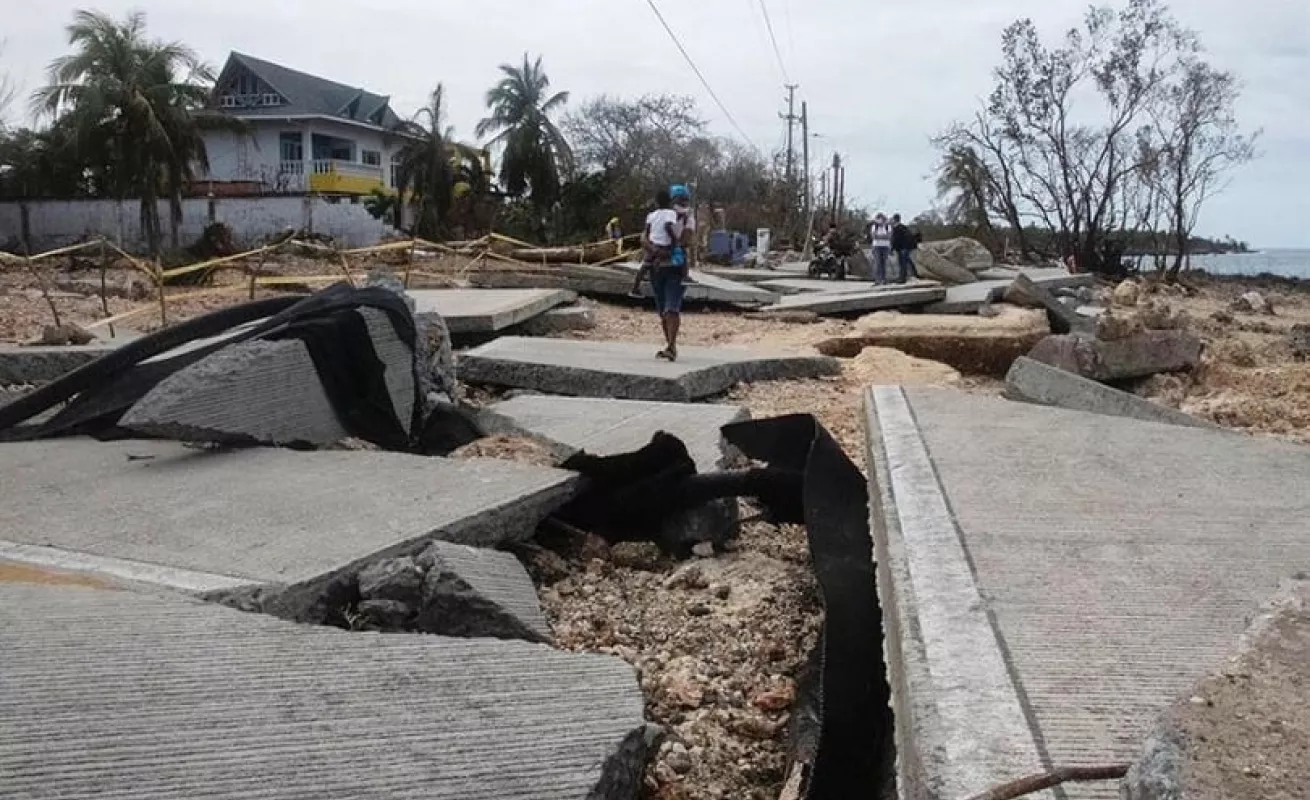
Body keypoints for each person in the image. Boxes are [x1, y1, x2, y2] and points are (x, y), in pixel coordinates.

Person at [890, 213, 919, 283]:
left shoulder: (897, 228)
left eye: (892, 219)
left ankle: (902, 278)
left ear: (894, 220)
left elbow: (896, 239)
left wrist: (892, 248)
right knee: (906, 261)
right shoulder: (904, 227)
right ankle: (913, 274)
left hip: (902, 248)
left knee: (902, 263)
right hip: (906, 247)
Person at [868, 213, 893, 284]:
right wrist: (883, 236)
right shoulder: (874, 226)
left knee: (884, 263)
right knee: (878, 263)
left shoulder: (888, 226)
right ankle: (877, 279)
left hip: (885, 246)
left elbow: (889, 236)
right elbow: (873, 236)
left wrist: (879, 236)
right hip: (876, 246)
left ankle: (884, 279)